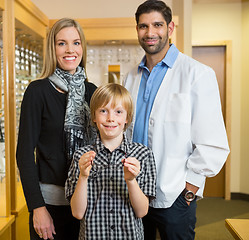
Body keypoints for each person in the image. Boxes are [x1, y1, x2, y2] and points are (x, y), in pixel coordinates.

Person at [123, 1, 230, 239]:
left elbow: (212, 142)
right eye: (143, 26)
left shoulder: (197, 74)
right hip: (134, 192)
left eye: (157, 25)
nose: (150, 33)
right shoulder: (130, 77)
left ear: (170, 28)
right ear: (137, 29)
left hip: (174, 196)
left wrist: (189, 191)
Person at [16, 18, 97, 240]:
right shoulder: (37, 91)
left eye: (76, 43)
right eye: (62, 43)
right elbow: (23, 154)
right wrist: (37, 208)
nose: (70, 50)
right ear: (53, 48)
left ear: (82, 48)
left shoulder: (93, 92)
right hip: (50, 205)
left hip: (89, 204)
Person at [65, 83, 156, 239]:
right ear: (94, 116)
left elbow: (142, 211)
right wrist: (83, 176)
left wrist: (131, 180)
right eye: (103, 111)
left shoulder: (143, 154)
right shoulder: (81, 156)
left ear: (127, 117)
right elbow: (77, 213)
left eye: (118, 112)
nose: (110, 118)